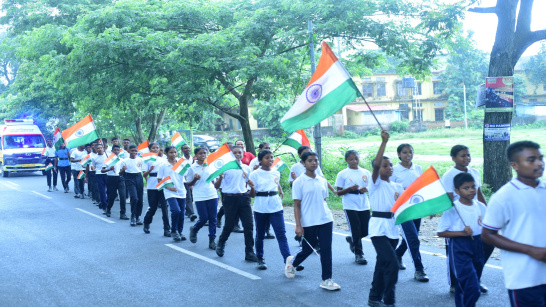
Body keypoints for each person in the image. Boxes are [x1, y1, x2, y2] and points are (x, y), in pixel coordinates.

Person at [481, 141, 546, 307]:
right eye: (531, 160)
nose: (539, 163)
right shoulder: (504, 197)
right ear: (514, 165)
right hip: (524, 278)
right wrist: (530, 250)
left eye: (541, 158)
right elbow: (487, 235)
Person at [287, 151, 340, 291]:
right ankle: (292, 263)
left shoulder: (322, 180)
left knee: (326, 249)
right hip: (308, 221)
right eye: (310, 160)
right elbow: (297, 205)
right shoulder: (299, 182)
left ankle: (326, 279)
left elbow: (323, 200)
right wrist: (298, 225)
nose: (313, 163)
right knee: (308, 249)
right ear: (303, 163)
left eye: (315, 160)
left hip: (325, 219)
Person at [442, 145, 491, 293]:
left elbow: (480, 194)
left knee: (485, 246)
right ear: (453, 158)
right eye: (463, 156)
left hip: (476, 215)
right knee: (455, 253)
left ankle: (475, 278)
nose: (467, 158)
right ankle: (455, 284)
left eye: (468, 155)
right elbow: (449, 199)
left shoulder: (475, 172)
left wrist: (487, 211)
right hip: (458, 217)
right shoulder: (449, 175)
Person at [438, 172, 486, 307]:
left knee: (464, 285)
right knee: (473, 289)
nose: (471, 190)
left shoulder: (480, 206)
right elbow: (441, 232)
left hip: (477, 244)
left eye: (473, 187)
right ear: (457, 191)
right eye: (466, 188)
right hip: (459, 247)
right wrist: (462, 233)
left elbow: (487, 227)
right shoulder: (453, 208)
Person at [367, 130, 403, 307]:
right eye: (384, 165)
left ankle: (374, 297)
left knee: (382, 264)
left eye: (390, 165)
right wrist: (384, 142)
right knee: (392, 263)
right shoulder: (375, 184)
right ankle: (389, 300)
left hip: (392, 229)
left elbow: (405, 206)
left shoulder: (397, 186)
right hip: (378, 229)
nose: (389, 167)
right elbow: (375, 166)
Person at [391, 143, 429, 282]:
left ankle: (397, 255)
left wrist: (427, 208)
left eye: (410, 152)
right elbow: (391, 190)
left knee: (411, 238)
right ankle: (419, 269)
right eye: (405, 152)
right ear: (399, 155)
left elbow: (422, 188)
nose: (408, 155)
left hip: (416, 208)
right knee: (413, 238)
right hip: (402, 209)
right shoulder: (394, 170)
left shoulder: (417, 168)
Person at [214, 145, 258, 262]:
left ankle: (249, 252)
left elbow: (250, 191)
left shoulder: (246, 168)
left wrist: (252, 186)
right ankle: (221, 242)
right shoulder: (225, 168)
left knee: (248, 225)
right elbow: (217, 187)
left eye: (240, 152)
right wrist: (220, 177)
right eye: (235, 153)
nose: (238, 154)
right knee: (229, 224)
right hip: (229, 199)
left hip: (243, 198)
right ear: (231, 155)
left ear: (243, 154)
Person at [248, 149, 290, 270]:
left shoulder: (276, 172)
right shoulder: (254, 174)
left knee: (281, 235)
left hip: (275, 206)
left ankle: (288, 260)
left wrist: (280, 190)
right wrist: (251, 187)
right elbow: (252, 195)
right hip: (261, 206)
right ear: (260, 160)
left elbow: (276, 185)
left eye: (271, 157)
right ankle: (260, 258)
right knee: (260, 234)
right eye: (267, 158)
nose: (270, 160)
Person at [335, 149, 371, 265]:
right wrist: (350, 189)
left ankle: (353, 240)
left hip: (364, 204)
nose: (354, 161)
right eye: (351, 159)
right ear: (346, 160)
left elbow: (372, 186)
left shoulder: (366, 172)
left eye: (356, 158)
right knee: (355, 229)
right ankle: (359, 254)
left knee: (366, 230)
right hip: (350, 204)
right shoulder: (343, 174)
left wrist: (366, 189)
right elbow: (338, 192)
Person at [187, 147, 219, 250]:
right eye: (200, 153)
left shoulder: (211, 165)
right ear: (196, 155)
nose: (202, 155)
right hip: (199, 195)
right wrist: (195, 180)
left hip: (212, 194)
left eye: (204, 153)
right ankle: (195, 229)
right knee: (204, 218)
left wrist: (219, 179)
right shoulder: (192, 167)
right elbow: (189, 183)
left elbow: (214, 181)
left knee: (213, 218)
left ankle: (212, 240)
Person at [157, 146, 187, 241]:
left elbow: (186, 176)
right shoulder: (163, 165)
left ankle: (180, 231)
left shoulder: (181, 163)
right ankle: (173, 230)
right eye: (171, 152)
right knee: (176, 210)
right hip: (169, 191)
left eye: (175, 152)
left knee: (182, 213)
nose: (173, 154)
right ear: (166, 153)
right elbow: (159, 179)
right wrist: (168, 187)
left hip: (181, 190)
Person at [142, 142, 171, 236]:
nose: (155, 149)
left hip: (163, 184)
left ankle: (167, 229)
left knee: (164, 208)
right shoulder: (146, 160)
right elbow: (144, 175)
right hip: (152, 184)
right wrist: (150, 169)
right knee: (153, 207)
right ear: (149, 150)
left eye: (157, 148)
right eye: (153, 148)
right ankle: (146, 222)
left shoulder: (163, 160)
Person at [120, 144, 145, 226]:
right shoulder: (124, 161)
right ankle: (133, 216)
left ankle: (138, 216)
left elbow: (143, 171)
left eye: (135, 151)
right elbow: (120, 173)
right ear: (128, 151)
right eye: (132, 151)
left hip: (138, 177)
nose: (134, 152)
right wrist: (123, 170)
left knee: (140, 199)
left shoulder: (141, 160)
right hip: (129, 178)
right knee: (134, 197)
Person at [104, 145, 128, 219]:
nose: (116, 151)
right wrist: (109, 169)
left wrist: (123, 170)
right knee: (112, 196)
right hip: (111, 178)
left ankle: (123, 213)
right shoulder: (108, 160)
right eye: (115, 150)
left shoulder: (122, 160)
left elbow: (121, 172)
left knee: (123, 196)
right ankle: (108, 209)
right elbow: (102, 170)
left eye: (118, 150)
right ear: (112, 151)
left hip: (120, 178)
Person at [89, 143, 108, 214]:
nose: (100, 149)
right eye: (98, 148)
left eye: (101, 148)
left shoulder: (107, 155)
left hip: (107, 174)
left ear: (103, 148)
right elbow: (93, 166)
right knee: (102, 191)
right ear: (95, 149)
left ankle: (105, 201)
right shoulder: (94, 158)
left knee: (110, 191)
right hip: (99, 174)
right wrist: (93, 168)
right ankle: (104, 207)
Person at [181, 144, 198, 221]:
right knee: (188, 197)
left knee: (191, 196)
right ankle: (191, 213)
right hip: (185, 181)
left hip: (195, 180)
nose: (187, 149)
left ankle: (187, 210)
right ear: (182, 150)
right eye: (185, 148)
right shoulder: (180, 160)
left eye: (188, 148)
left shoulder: (194, 159)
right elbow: (181, 172)